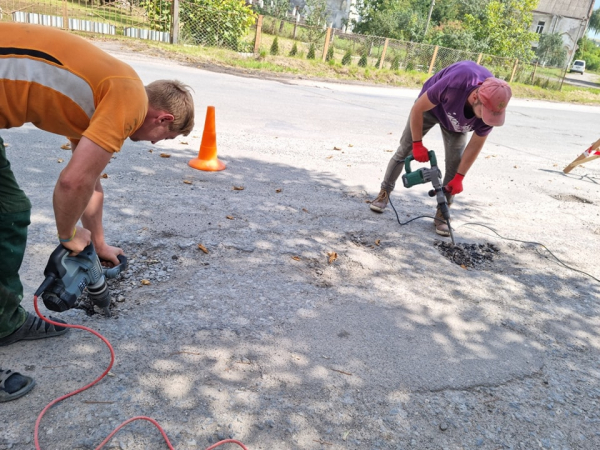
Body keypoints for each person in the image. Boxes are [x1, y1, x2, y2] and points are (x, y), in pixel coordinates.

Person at [0, 23, 195, 402]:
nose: (156, 144)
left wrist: (99, 242)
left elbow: (89, 179)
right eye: (165, 140)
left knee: (9, 211)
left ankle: (4, 323)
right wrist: (67, 237)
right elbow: (72, 184)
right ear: (163, 120)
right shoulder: (129, 101)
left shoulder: (108, 95)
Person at [369, 60, 511, 235]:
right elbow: (417, 109)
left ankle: (442, 213)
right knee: (405, 149)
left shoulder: (491, 109)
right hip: (430, 108)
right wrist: (417, 144)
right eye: (485, 113)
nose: (487, 119)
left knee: (455, 163)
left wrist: (460, 177)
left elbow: (475, 146)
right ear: (475, 97)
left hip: (456, 123)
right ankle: (384, 193)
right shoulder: (456, 83)